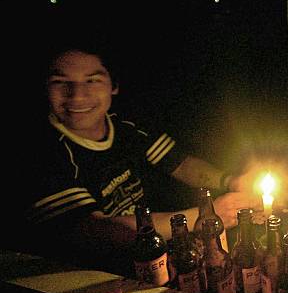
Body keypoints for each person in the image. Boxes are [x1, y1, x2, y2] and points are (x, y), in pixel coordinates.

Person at [16, 39, 262, 273]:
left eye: (92, 81)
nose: (77, 95)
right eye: (60, 82)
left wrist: (231, 182)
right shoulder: (38, 154)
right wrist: (205, 216)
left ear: (114, 85)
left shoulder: (125, 126)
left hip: (148, 258)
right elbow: (96, 232)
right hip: (89, 280)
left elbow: (179, 163)